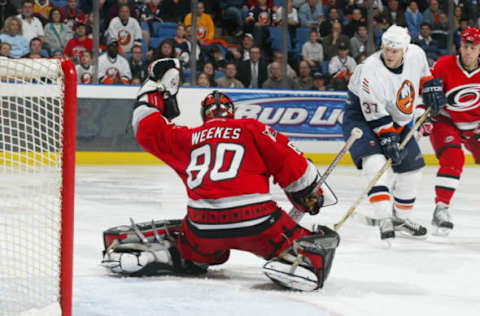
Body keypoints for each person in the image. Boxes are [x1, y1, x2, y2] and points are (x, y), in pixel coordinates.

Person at [108, 58, 339, 292]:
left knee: (199, 251)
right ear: (232, 113)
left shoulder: (189, 137)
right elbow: (289, 161)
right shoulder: (251, 128)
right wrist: (308, 192)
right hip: (258, 223)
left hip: (203, 227)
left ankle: (162, 255)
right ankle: (299, 264)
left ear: (204, 115)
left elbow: (147, 130)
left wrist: (153, 92)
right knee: (310, 240)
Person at [342, 25, 446, 241]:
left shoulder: (417, 54)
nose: (389, 54)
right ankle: (384, 217)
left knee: (412, 172)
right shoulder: (370, 70)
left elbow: (425, 78)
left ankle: (400, 219)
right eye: (386, 49)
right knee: (375, 160)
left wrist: (431, 90)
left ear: (405, 50)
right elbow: (373, 113)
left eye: (394, 51)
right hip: (363, 117)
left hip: (396, 118)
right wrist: (388, 137)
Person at [427, 27, 480, 236]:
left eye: (473, 48)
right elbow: (425, 91)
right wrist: (425, 109)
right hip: (445, 121)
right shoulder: (444, 65)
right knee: (453, 158)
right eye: (465, 47)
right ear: (460, 46)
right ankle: (441, 209)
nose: (468, 52)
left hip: (474, 125)